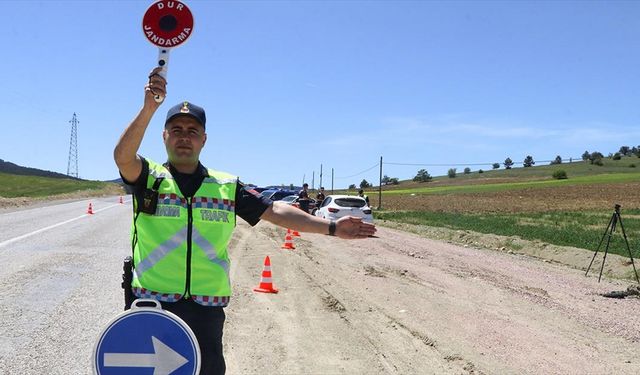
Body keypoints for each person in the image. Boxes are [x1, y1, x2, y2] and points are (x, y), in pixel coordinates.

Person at [113, 67, 376, 375]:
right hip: (151, 306)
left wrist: (331, 227)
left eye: (192, 131)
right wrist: (149, 109)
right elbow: (123, 157)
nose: (185, 136)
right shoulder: (149, 178)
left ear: (204, 140)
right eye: (177, 129)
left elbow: (275, 210)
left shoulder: (226, 186)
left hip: (205, 309)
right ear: (165, 136)